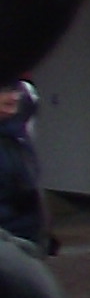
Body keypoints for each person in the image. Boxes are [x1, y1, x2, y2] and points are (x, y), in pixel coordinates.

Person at [0, 79, 49, 255]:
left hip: (25, 239)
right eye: (4, 90)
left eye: (15, 90)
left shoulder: (17, 132)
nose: (13, 96)